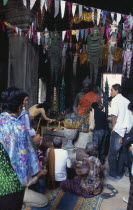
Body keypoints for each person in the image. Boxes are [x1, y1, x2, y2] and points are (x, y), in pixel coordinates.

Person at [0, 87, 41, 210]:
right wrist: (35, 173)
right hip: (9, 186)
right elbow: (23, 159)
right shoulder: (18, 128)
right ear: (19, 107)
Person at [107, 84, 133, 181]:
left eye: (112, 90)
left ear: (117, 91)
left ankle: (113, 174)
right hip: (127, 131)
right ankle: (119, 173)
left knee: (112, 154)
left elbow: (114, 116)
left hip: (118, 130)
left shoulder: (115, 100)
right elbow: (131, 117)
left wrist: (113, 128)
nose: (111, 92)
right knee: (122, 153)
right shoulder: (127, 101)